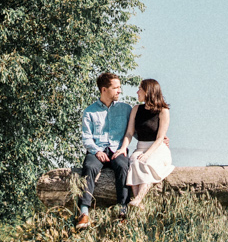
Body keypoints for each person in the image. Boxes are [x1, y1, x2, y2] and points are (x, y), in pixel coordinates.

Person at [74, 70, 132, 229]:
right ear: (104, 89)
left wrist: (160, 139)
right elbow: (86, 137)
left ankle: (122, 211)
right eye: (116, 88)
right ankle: (84, 213)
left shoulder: (126, 109)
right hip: (97, 149)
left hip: (117, 150)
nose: (119, 90)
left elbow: (135, 129)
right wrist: (96, 151)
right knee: (89, 167)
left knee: (123, 167)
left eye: (120, 87)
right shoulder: (90, 111)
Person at [123, 78, 175, 207]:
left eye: (140, 89)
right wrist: (124, 147)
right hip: (141, 147)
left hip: (157, 148)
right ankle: (137, 201)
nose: (137, 92)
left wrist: (147, 154)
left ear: (148, 91)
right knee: (134, 162)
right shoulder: (136, 109)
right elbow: (129, 133)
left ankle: (139, 198)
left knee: (147, 162)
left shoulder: (163, 111)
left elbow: (160, 138)